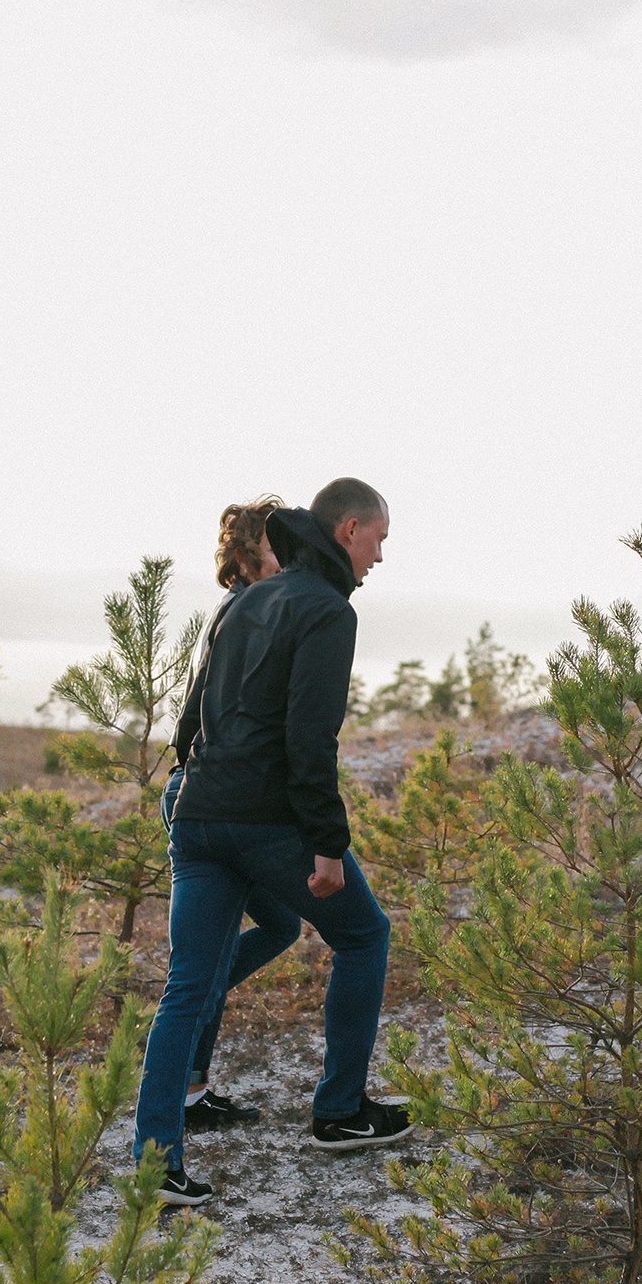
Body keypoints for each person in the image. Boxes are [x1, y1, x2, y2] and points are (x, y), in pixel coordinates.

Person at [137, 477, 405, 1205]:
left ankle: (154, 1165)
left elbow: (192, 721)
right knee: (364, 935)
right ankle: (340, 1112)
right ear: (349, 530)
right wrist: (327, 845)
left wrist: (196, 794)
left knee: (188, 986)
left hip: (197, 815)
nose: (381, 555)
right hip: (265, 822)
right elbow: (309, 740)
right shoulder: (327, 610)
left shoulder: (241, 603)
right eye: (379, 538)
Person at [160, 496, 303, 1134]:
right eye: (276, 548)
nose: (289, 560)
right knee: (205, 967)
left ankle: (192, 1063)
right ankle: (187, 1084)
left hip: (211, 792)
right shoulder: (244, 612)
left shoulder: (250, 608)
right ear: (245, 557)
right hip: (211, 796)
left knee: (280, 925)